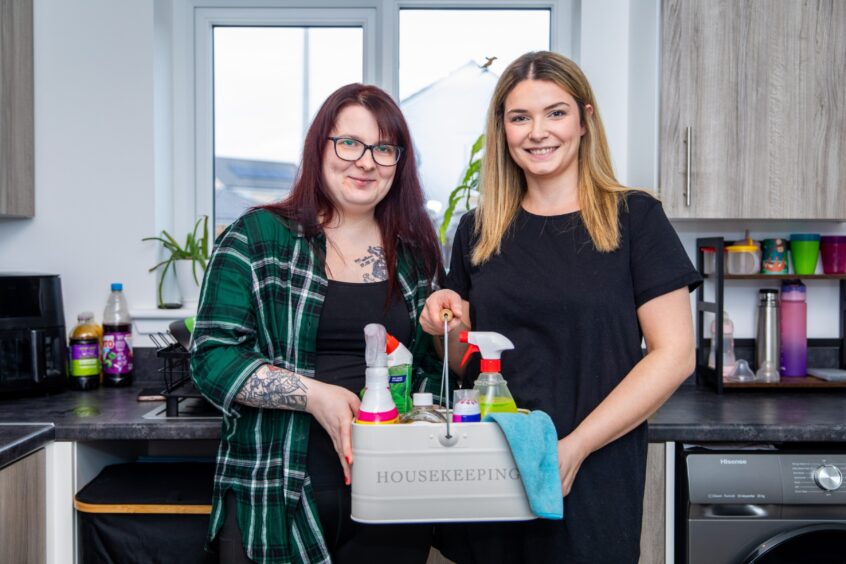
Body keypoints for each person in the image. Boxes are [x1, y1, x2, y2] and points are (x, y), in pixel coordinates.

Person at [420, 51, 702, 563]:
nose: (537, 131)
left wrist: (574, 447)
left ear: (584, 120)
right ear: (502, 129)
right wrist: (445, 328)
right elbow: (466, 361)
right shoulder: (477, 232)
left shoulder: (634, 218)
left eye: (555, 112)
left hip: (594, 466)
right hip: (493, 468)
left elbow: (675, 354)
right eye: (519, 117)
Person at [192, 83, 444, 564]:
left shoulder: (415, 254)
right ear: (319, 147)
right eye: (349, 143)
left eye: (383, 148)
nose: (366, 161)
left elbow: (431, 372)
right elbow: (211, 356)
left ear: (399, 161)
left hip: (394, 498)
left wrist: (445, 333)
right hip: (274, 489)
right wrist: (315, 396)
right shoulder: (258, 236)